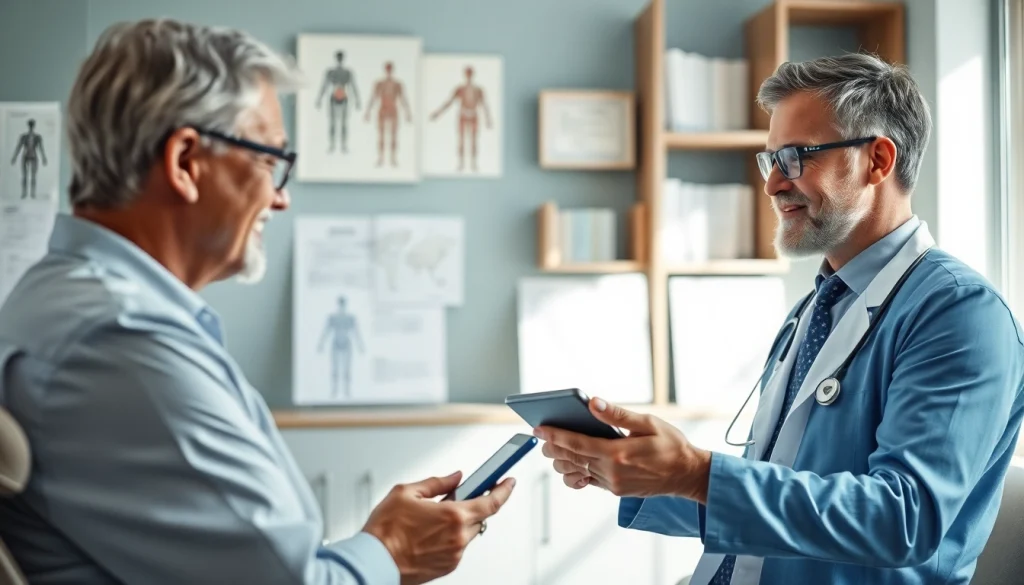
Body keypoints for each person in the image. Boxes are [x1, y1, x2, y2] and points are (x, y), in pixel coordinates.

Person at [0, 18, 514, 585]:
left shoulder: (56, 298)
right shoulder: (122, 342)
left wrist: (377, 548)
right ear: (186, 162)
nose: (281, 198)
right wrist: (390, 552)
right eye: (269, 162)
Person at [535, 52, 1024, 585]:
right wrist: (647, 474)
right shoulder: (817, 308)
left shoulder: (959, 314)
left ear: (878, 161)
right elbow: (776, 499)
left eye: (796, 157)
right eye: (770, 161)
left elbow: (904, 520)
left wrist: (698, 474)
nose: (772, 185)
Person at [429, 65, 492, 172]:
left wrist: (488, 119)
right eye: (467, 73)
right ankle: (461, 163)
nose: (469, 75)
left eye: (470, 73)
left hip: (473, 116)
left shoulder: (478, 90)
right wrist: (438, 113)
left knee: (473, 140)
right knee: (461, 140)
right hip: (463, 115)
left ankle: (474, 163)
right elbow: (449, 102)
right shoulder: (460, 89)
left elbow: (484, 104)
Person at [365, 61, 412, 167]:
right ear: (385, 69)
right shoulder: (379, 83)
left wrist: (407, 112)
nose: (388, 70)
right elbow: (373, 97)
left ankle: (393, 158)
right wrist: (368, 111)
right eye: (387, 68)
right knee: (381, 135)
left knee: (394, 135)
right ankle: (381, 158)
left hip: (393, 110)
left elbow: (403, 98)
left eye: (390, 68)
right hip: (382, 109)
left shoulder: (397, 84)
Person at [317, 295, 364, 398]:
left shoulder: (350, 318)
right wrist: (321, 344)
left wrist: (360, 345)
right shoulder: (333, 317)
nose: (342, 306)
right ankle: (334, 391)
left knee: (347, 369)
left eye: (343, 304)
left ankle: (347, 391)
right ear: (338, 305)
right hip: (336, 344)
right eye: (341, 304)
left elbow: (356, 332)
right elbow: (326, 331)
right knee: (335, 369)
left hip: (347, 344)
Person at [316, 50, 360, 153]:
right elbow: (325, 85)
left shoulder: (348, 72)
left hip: (344, 97)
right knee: (332, 122)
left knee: (344, 123)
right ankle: (332, 145)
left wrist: (357, 100)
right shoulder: (331, 72)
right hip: (334, 97)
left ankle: (344, 145)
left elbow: (353, 86)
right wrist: (319, 99)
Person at [10, 118, 47, 199]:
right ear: (29, 126)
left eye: (32, 125)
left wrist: (44, 158)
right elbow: (19, 147)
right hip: (25, 156)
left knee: (33, 175)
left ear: (33, 126)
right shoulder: (24, 136)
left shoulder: (38, 137)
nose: (31, 127)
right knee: (24, 175)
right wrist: (14, 157)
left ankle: (32, 193)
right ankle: (24, 193)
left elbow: (41, 148)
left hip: (34, 156)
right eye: (30, 125)